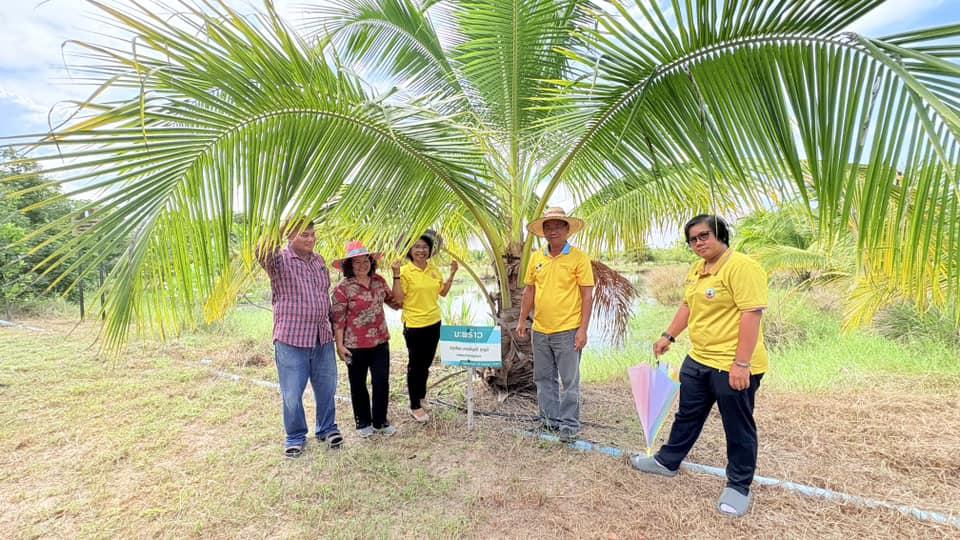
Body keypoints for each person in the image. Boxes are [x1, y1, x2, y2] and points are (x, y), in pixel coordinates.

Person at [630, 215, 768, 518]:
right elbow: (688, 305)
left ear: (721, 234)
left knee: (738, 425)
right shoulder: (697, 269)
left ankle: (739, 486)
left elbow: (751, 314)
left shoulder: (741, 267)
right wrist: (669, 335)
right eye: (693, 239)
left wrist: (741, 364)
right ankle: (668, 461)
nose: (698, 243)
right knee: (687, 414)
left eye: (704, 236)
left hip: (732, 364)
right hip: (699, 358)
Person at [258, 218, 342, 458]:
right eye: (303, 235)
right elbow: (262, 251)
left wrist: (336, 333)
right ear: (288, 236)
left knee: (326, 388)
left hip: (322, 336)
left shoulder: (319, 261)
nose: (310, 239)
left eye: (312, 234)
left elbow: (323, 296)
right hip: (292, 339)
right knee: (292, 393)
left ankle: (327, 428)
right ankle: (295, 436)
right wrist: (275, 224)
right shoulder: (280, 260)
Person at [516, 207, 594, 441]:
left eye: (558, 226)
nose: (553, 231)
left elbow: (587, 296)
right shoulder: (537, 257)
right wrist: (522, 320)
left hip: (568, 331)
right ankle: (549, 422)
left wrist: (583, 330)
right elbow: (530, 290)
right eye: (548, 227)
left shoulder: (579, 258)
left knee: (570, 381)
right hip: (540, 330)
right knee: (543, 378)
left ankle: (569, 426)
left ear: (567, 229)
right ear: (543, 232)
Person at [331, 241, 404, 438]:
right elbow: (338, 319)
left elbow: (397, 303)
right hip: (354, 345)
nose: (362, 265)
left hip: (380, 342)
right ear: (349, 266)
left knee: (381, 381)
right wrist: (339, 345)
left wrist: (396, 274)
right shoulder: (343, 288)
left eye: (366, 261)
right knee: (358, 384)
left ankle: (380, 421)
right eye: (356, 262)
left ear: (372, 262)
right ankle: (363, 422)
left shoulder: (379, 281)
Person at [399, 231, 458, 423]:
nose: (421, 250)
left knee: (426, 364)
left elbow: (443, 292)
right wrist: (394, 275)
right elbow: (399, 299)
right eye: (417, 247)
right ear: (410, 250)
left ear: (430, 250)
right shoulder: (405, 271)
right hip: (415, 325)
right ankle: (414, 406)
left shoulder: (433, 270)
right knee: (415, 366)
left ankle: (421, 397)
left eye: (424, 247)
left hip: (434, 322)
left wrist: (453, 274)